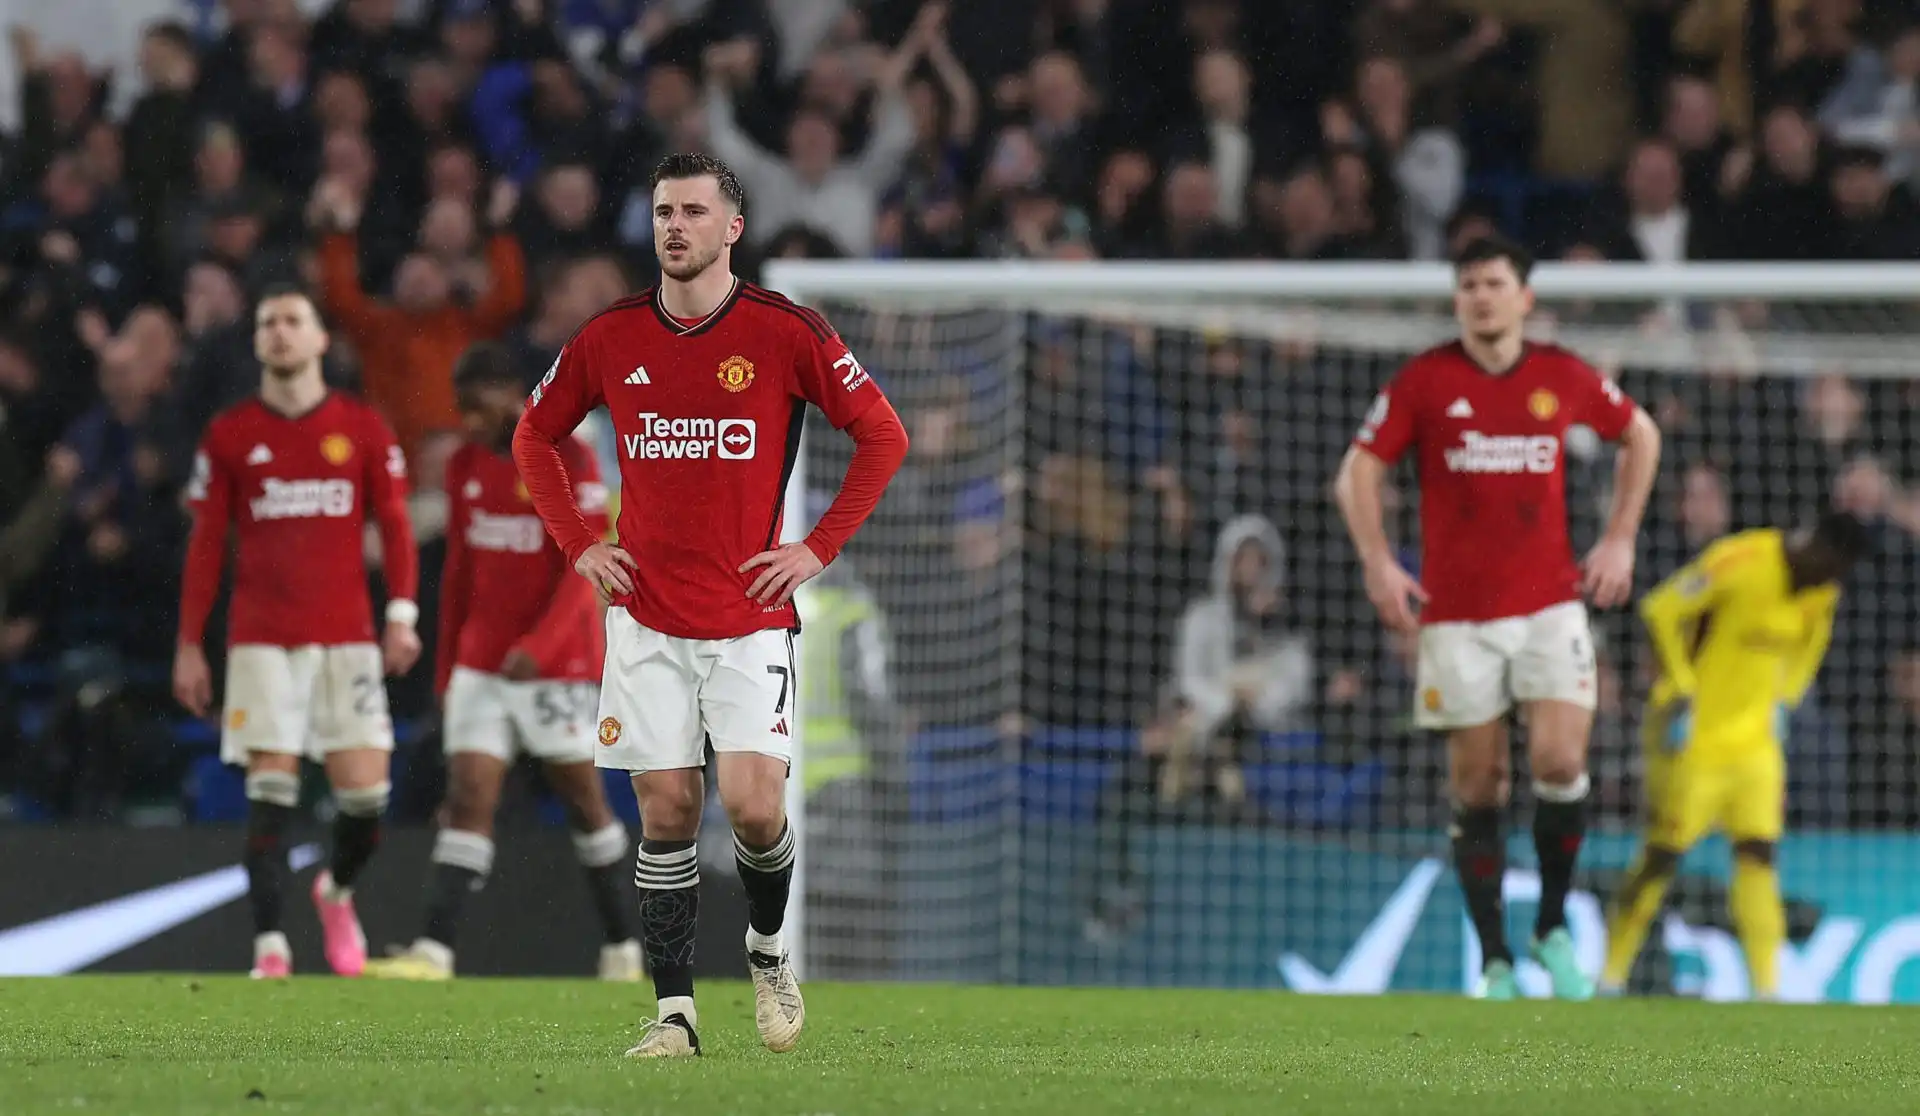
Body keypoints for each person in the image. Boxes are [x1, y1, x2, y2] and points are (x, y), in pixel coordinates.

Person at [513, 152, 909, 1057]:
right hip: (646, 614)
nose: (675, 227)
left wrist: (816, 547)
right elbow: (533, 433)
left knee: (754, 807)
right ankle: (675, 1017)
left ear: (732, 228)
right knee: (666, 812)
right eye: (662, 212)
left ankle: (768, 951)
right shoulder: (611, 336)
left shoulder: (785, 330)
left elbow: (883, 433)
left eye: (693, 211)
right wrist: (581, 545)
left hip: (749, 614)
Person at [1332, 234, 1662, 1001]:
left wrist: (1619, 537)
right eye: (1468, 284)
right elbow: (1359, 469)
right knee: (1480, 786)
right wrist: (1379, 562)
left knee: (1558, 763)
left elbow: (1639, 433)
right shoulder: (1424, 381)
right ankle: (1493, 958)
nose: (1481, 295)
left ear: (1524, 297)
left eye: (1494, 282)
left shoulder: (1561, 375)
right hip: (1456, 619)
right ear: (1458, 299)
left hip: (1550, 607)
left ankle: (1550, 926)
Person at [363, 341, 641, 983]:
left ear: (512, 393)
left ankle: (624, 948)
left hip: (558, 667)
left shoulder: (569, 456)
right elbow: (460, 570)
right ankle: (434, 952)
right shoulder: (464, 465)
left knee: (584, 804)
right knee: (467, 797)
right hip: (482, 668)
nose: (466, 420)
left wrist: (537, 649)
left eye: (474, 405)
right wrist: (447, 671)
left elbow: (586, 570)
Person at [173, 286, 422, 979]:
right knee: (271, 789)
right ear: (256, 343)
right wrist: (190, 641)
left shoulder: (362, 426)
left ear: (319, 341)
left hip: (347, 639)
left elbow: (396, 526)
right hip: (260, 640)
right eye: (267, 323)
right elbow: (205, 544)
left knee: (367, 801)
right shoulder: (229, 434)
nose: (279, 333)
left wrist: (402, 615)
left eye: (292, 321)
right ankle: (270, 946)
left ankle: (335, 891)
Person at [1601, 511, 1871, 1000]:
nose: (1828, 583)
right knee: (1661, 857)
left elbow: (1810, 651)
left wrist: (1783, 702)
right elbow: (1661, 608)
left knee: (1758, 855)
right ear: (1817, 545)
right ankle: (1611, 974)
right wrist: (1680, 683)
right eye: (1829, 569)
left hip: (1756, 748)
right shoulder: (1741, 558)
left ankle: (1768, 991)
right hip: (1694, 739)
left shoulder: (1820, 592)